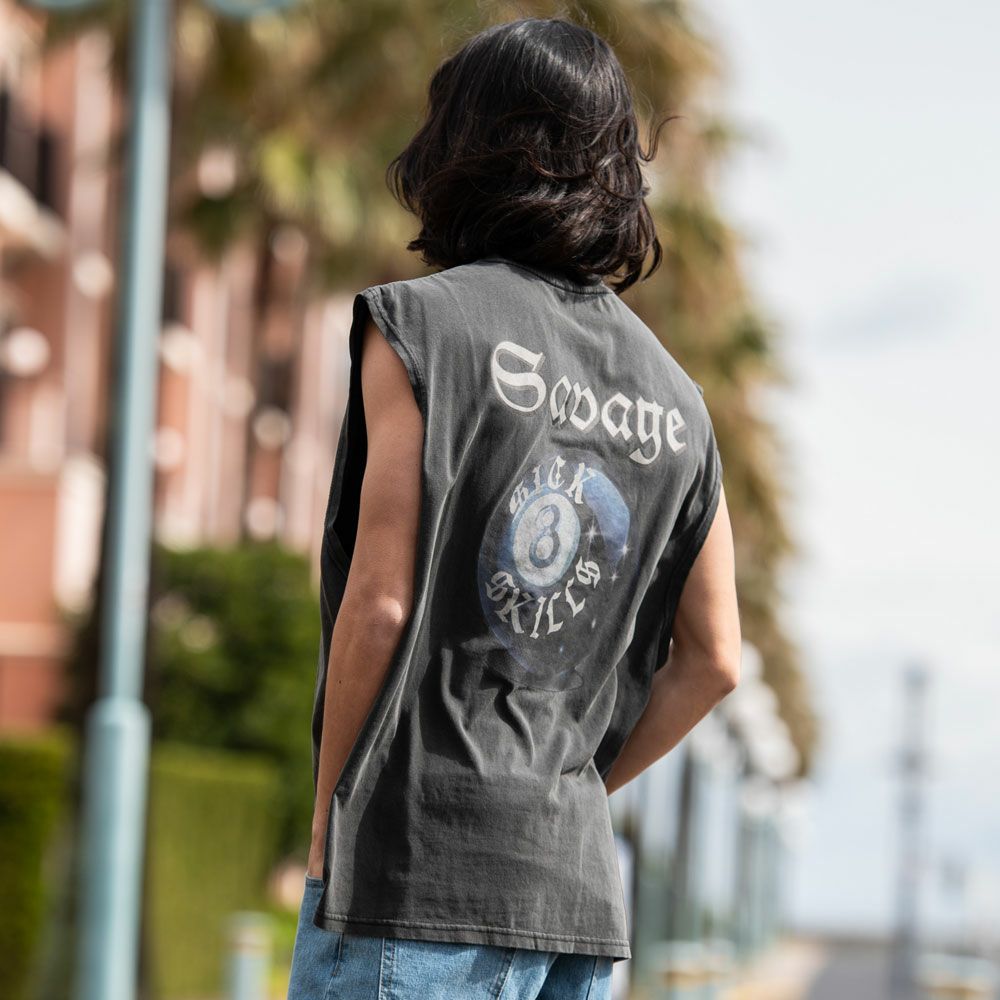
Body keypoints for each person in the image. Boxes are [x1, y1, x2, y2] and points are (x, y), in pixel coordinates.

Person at [287, 15, 741, 1000]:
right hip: (574, 898)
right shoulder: (678, 401)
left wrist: (329, 820)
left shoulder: (423, 327)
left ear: (462, 146)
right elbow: (716, 659)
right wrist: (568, 792)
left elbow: (381, 605)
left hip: (411, 875)